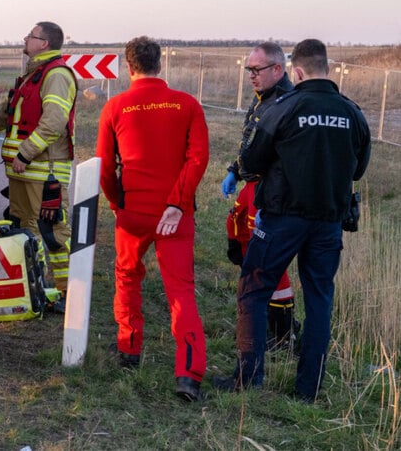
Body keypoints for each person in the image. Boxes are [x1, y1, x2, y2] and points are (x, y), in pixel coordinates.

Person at [215, 38, 371, 402]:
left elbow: (251, 161)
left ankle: (248, 379)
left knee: (254, 289)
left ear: (295, 71)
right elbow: (359, 169)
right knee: (319, 300)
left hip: (283, 218)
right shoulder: (353, 113)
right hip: (329, 222)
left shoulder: (284, 107)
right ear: (327, 68)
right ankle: (309, 388)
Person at [95, 36, 209, 402]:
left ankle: (128, 349)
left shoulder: (115, 107)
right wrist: (177, 204)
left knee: (127, 277)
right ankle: (188, 374)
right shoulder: (187, 104)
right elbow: (198, 159)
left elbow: (104, 169)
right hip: (176, 217)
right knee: (181, 292)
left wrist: (116, 204)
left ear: (128, 67)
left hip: (133, 215)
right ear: (160, 64)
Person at [0, 21, 77, 312]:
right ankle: (35, 286)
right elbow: (3, 117)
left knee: (53, 233)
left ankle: (68, 295)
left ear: (44, 44)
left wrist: (26, 153)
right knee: (23, 229)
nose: (25, 38)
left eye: (31, 35)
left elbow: (54, 121)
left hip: (43, 170)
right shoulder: (31, 75)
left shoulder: (56, 75)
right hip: (23, 171)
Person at [221, 42, 298, 350]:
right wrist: (235, 170)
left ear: (278, 70)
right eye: (248, 70)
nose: (251, 76)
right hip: (252, 185)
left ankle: (282, 335)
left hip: (270, 191)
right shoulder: (264, 98)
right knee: (239, 239)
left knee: (266, 261)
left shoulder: (285, 103)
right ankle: (264, 317)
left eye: (257, 70)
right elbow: (252, 144)